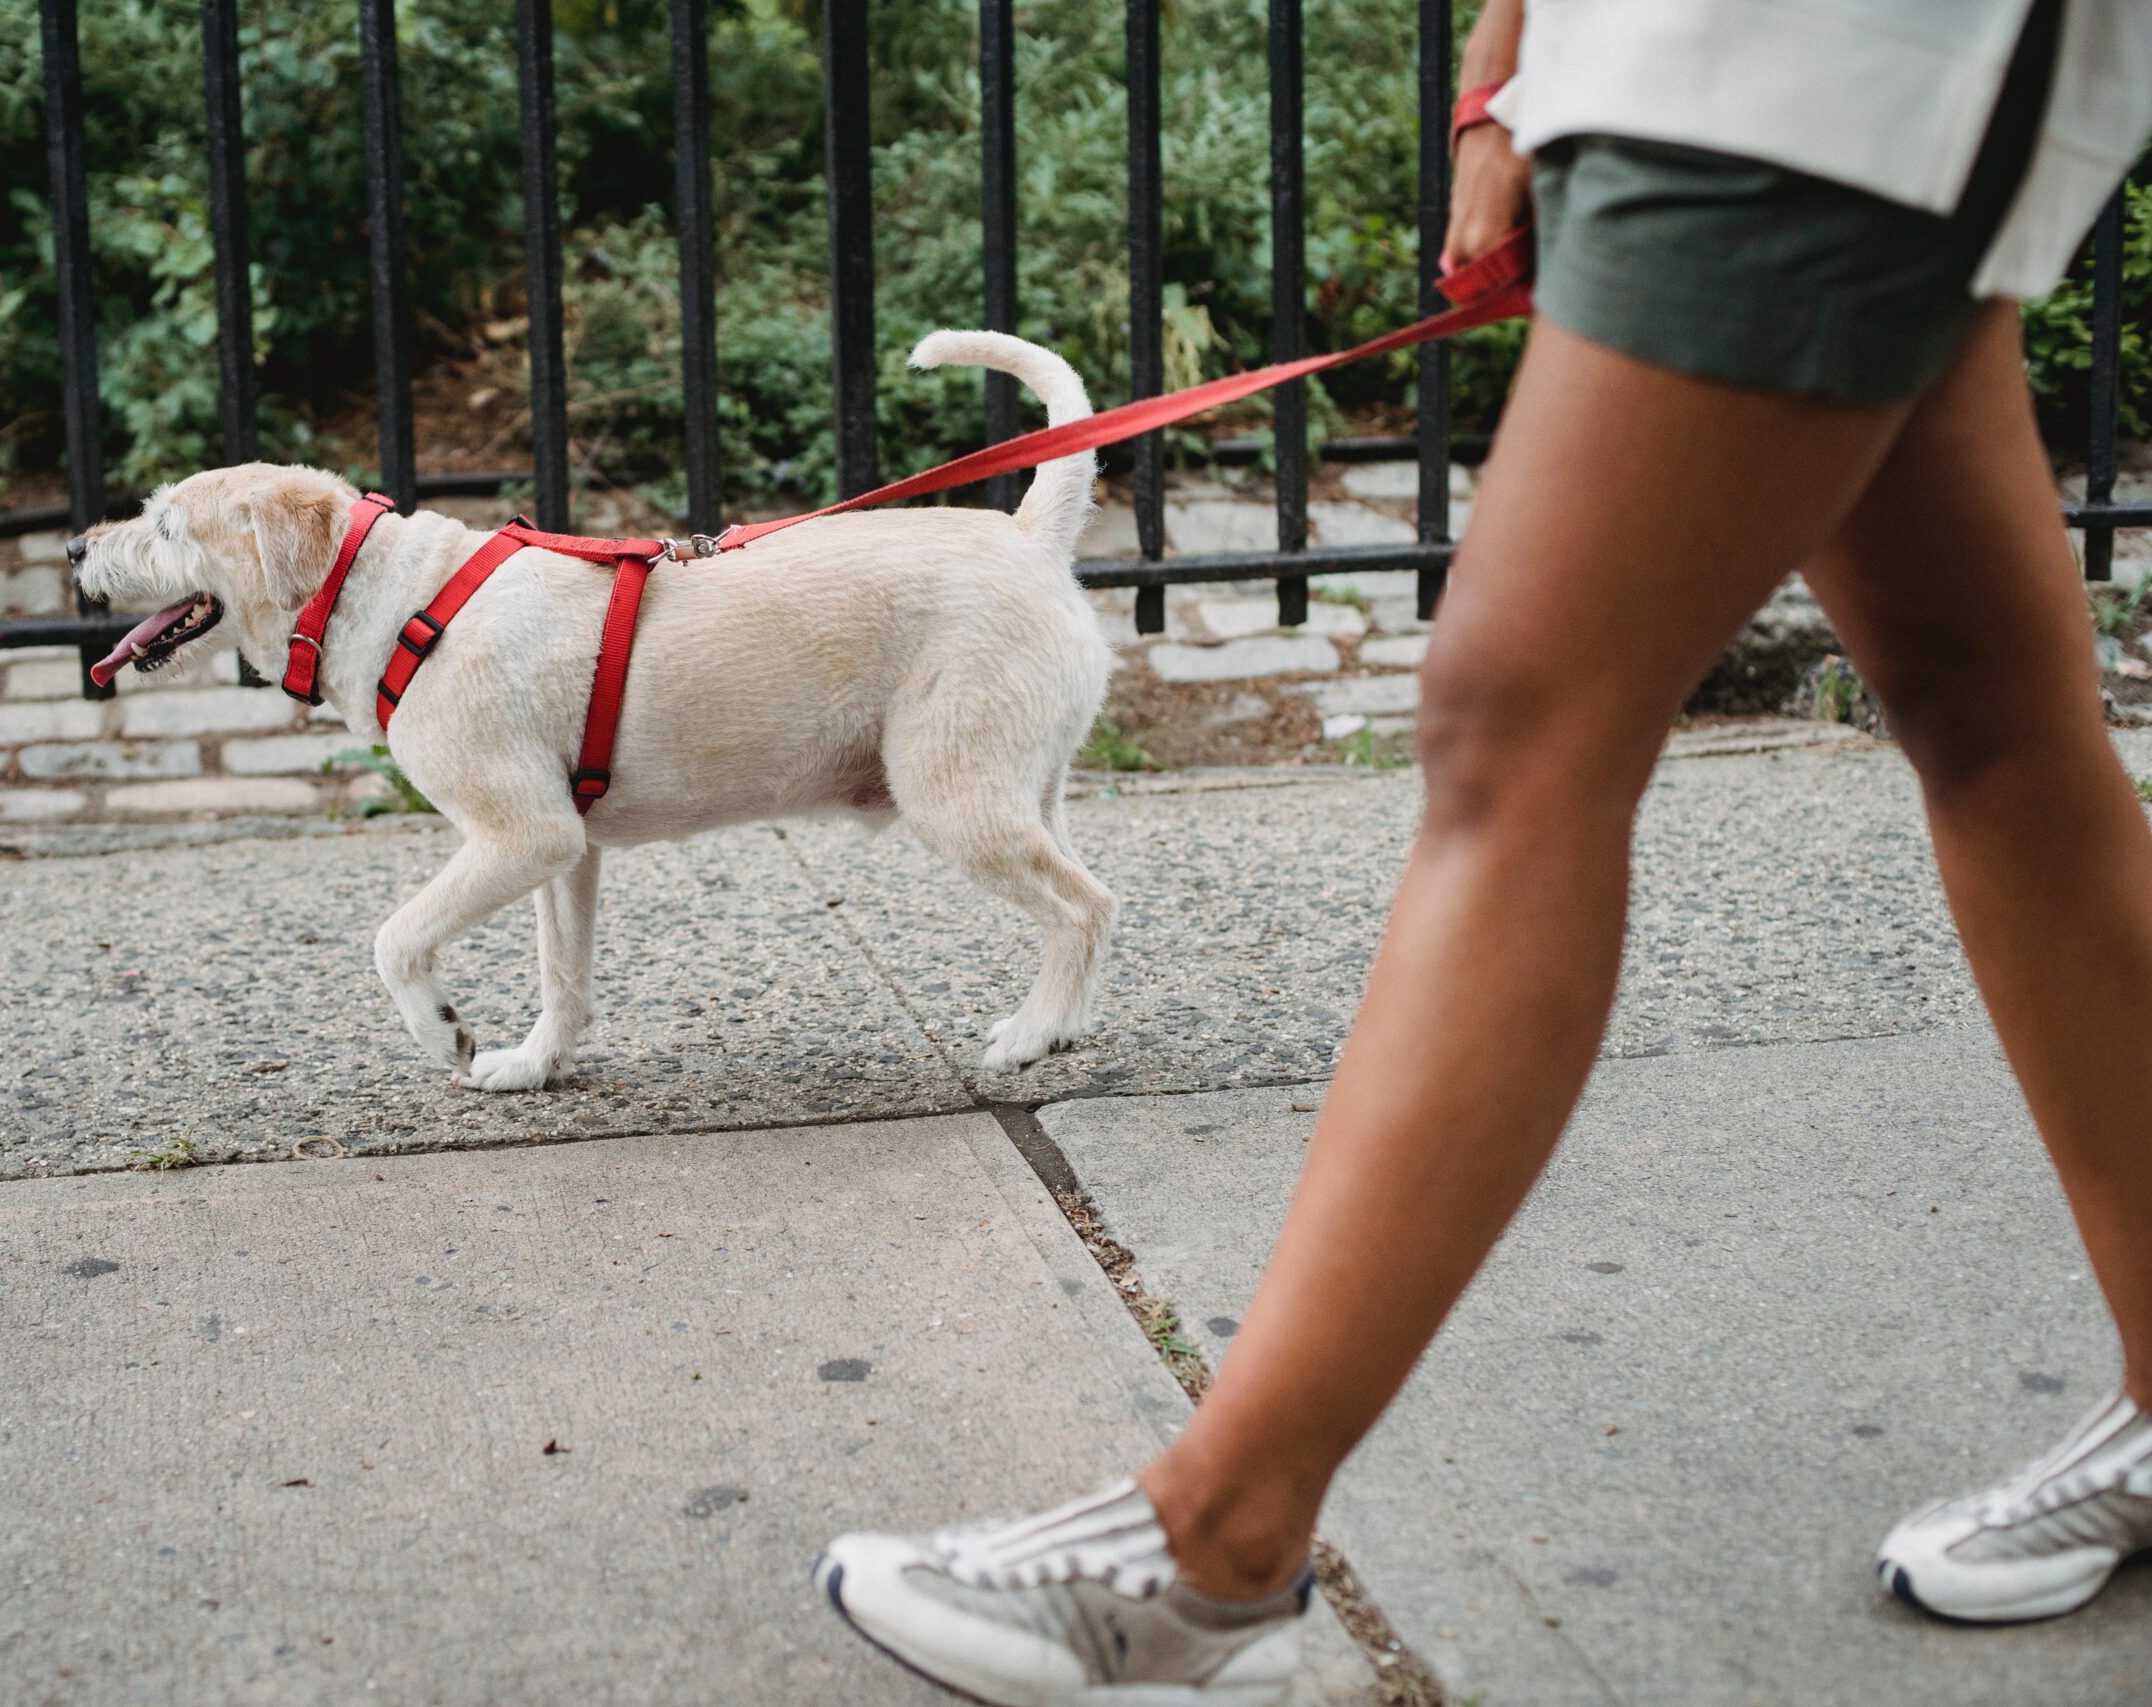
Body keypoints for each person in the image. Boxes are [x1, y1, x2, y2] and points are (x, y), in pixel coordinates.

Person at [815, 0, 2152, 1698]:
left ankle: (1217, 1534)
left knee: (1517, 732)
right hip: (1711, 59)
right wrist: (1504, 73)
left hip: (1816, 60)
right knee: (1994, 724)